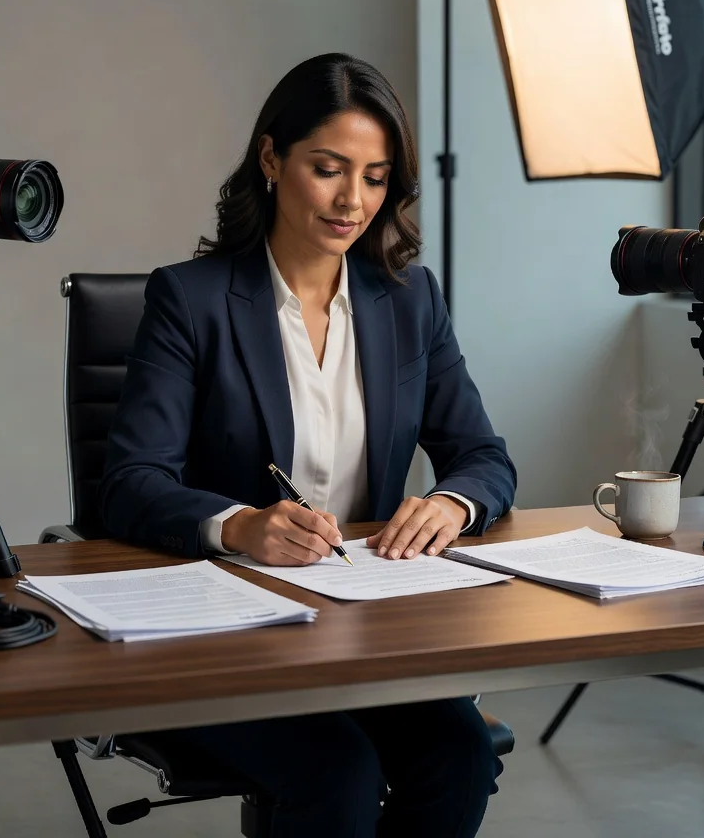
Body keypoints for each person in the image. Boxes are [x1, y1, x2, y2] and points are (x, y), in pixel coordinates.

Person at [100, 52, 517, 837]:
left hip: (369, 628)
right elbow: (129, 481)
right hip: (230, 633)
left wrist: (452, 503)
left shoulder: (408, 300)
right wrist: (238, 524)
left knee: (460, 759)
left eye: (374, 176)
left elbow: (484, 456)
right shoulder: (190, 300)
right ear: (271, 159)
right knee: (340, 774)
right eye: (328, 169)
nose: (352, 200)